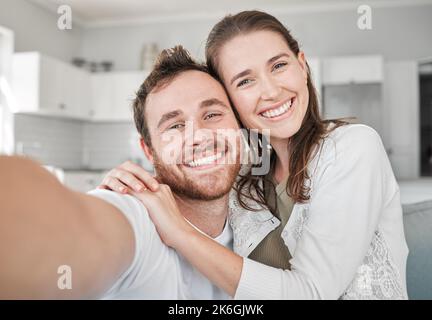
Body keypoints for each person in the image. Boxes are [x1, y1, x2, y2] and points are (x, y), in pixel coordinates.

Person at [100, 11, 409, 299]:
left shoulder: (353, 147)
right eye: (245, 81)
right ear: (230, 101)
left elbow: (311, 293)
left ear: (302, 65)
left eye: (279, 66)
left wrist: (178, 233)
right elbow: (188, 182)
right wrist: (137, 187)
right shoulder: (244, 177)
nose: (271, 91)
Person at [0, 47, 261, 299]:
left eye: (213, 114)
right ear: (148, 150)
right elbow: (62, 233)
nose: (199, 136)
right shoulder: (135, 217)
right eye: (175, 125)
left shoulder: (259, 210)